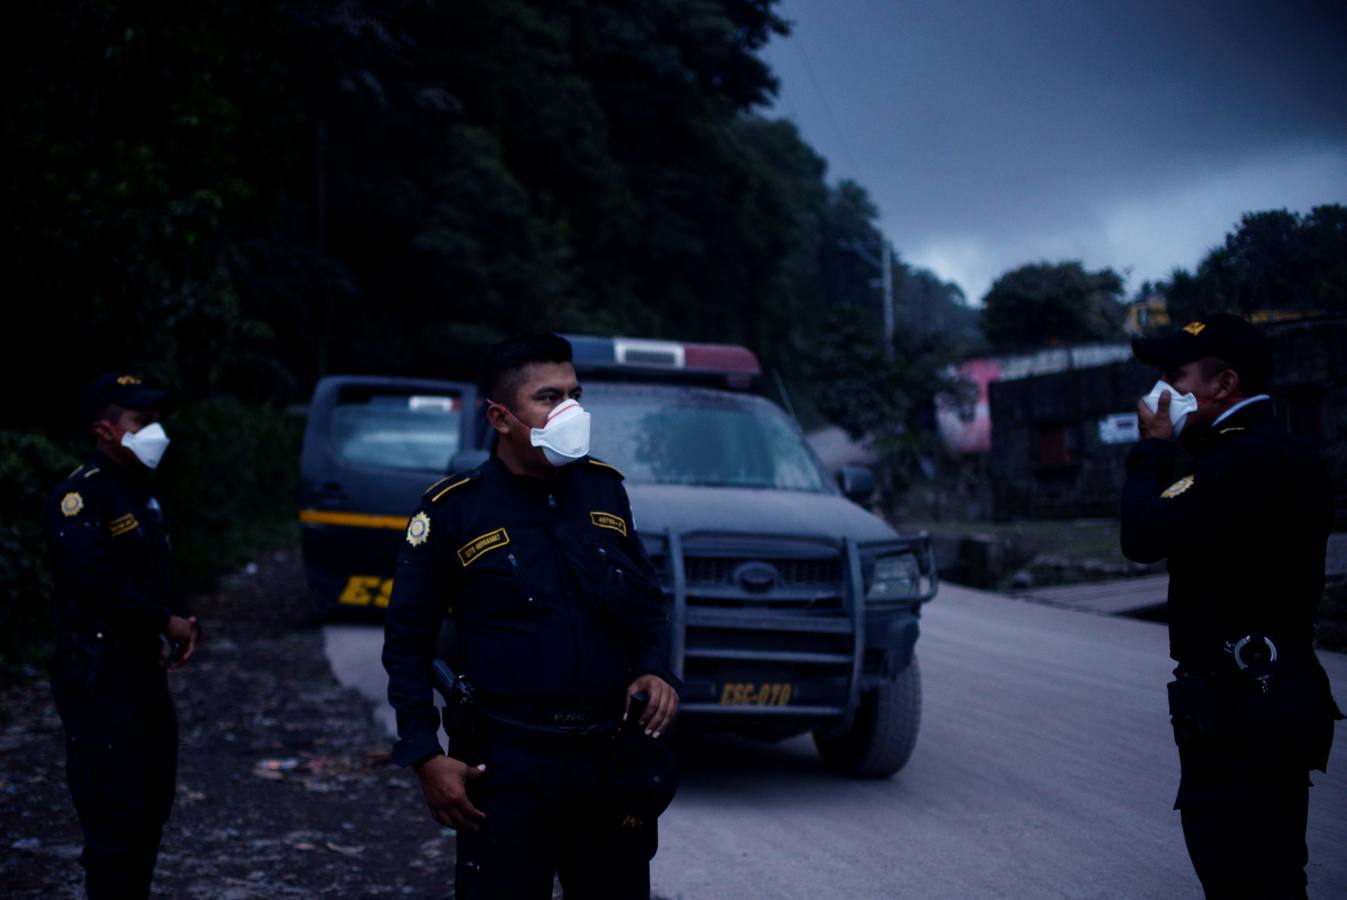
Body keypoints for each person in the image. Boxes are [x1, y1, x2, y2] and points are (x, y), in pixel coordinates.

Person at [382, 333, 679, 899]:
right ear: (500, 417)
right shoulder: (454, 510)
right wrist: (424, 755)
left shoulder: (604, 491)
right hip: (506, 767)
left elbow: (647, 603)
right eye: (548, 397)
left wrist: (655, 669)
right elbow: (407, 644)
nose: (570, 410)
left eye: (574, 394)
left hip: (607, 761)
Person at [1120, 314, 1342, 898]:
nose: (1161, 396)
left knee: (1244, 875)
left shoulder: (1242, 462)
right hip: (1267, 692)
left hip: (1247, 704)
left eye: (1176, 377)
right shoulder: (1274, 451)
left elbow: (1141, 535)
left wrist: (1152, 452)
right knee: (1267, 869)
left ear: (1224, 385)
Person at [45, 372, 201, 899]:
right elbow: (90, 582)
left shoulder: (142, 495)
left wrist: (180, 619)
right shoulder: (82, 495)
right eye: (143, 421)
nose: (156, 431)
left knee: (148, 808)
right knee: (113, 817)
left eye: (158, 420)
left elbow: (155, 575)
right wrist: (163, 621)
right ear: (106, 430)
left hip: (142, 674)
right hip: (99, 675)